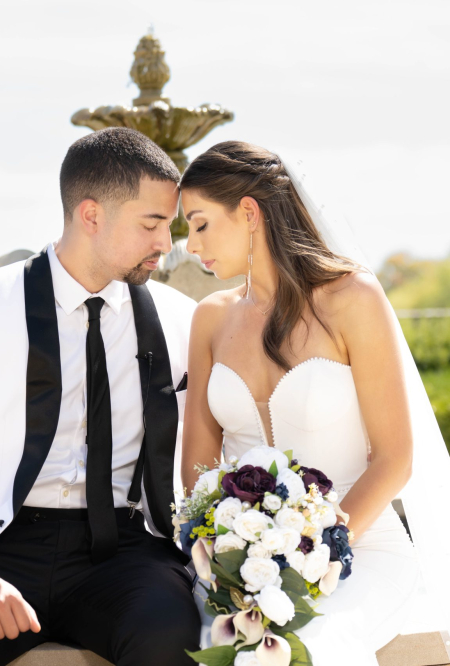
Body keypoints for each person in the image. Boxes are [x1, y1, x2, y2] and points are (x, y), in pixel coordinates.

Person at [179, 141, 450, 665]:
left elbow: (395, 459)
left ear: (249, 213)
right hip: (244, 573)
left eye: (199, 223)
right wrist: (234, 559)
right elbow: (196, 472)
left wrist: (317, 553)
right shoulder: (210, 318)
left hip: (363, 549)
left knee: (314, 647)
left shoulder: (353, 299)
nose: (189, 245)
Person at [0, 127, 201, 665]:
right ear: (91, 215)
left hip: (125, 554)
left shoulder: (181, 318)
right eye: (151, 223)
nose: (166, 242)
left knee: (170, 635)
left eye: (170, 225)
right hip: (6, 544)